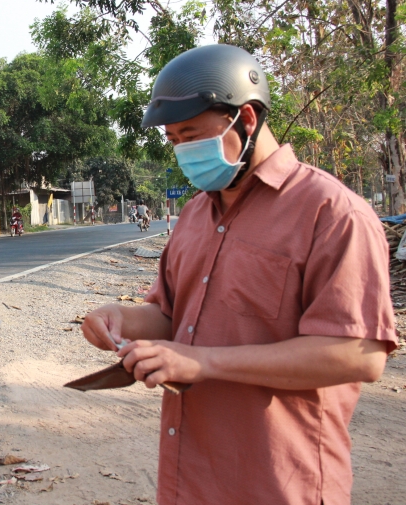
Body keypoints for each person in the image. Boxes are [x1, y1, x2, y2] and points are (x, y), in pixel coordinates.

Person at [80, 44, 397, 505]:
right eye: (174, 141)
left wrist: (205, 363)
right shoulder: (193, 216)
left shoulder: (332, 214)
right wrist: (121, 320)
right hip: (190, 479)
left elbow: (360, 355)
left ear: (246, 120)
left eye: (192, 135)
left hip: (280, 483)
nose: (184, 151)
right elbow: (174, 319)